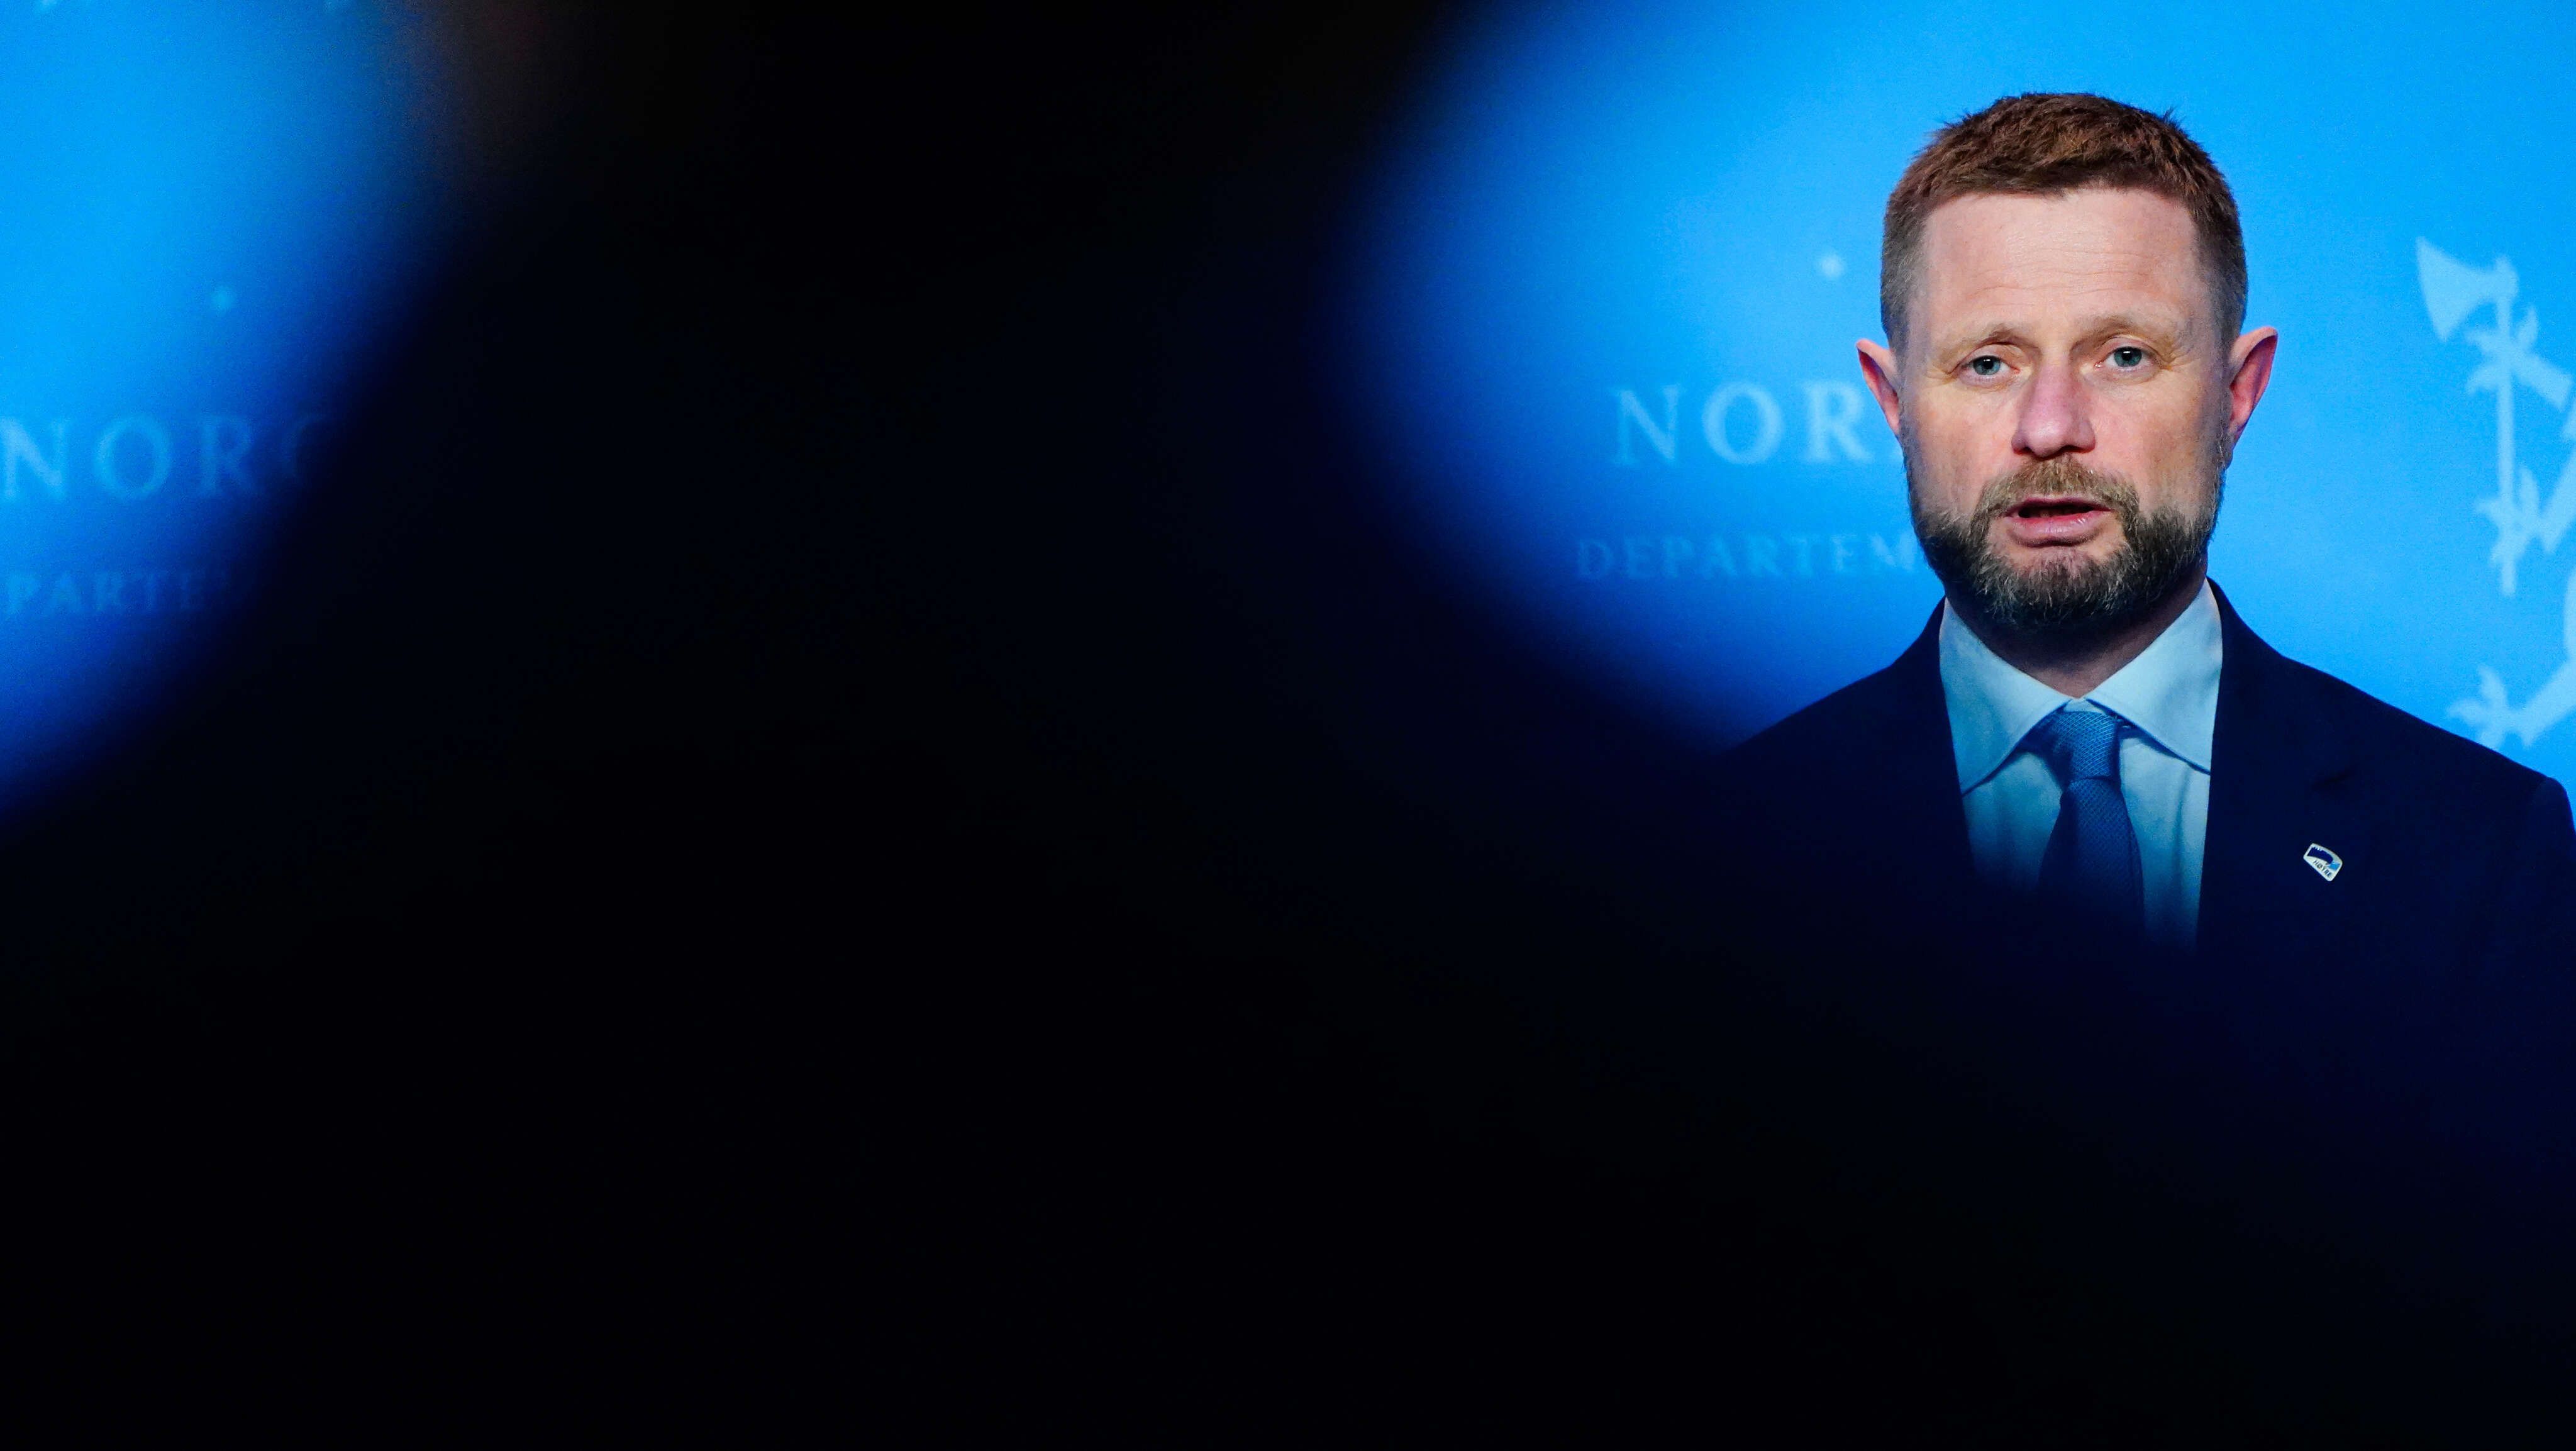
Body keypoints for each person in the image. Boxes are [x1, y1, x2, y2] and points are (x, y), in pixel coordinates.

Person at [1720, 92, 2576, 977]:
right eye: (1988, 363)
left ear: (2237, 393)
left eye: (2124, 356)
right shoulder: (1720, 844)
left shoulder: (2486, 846)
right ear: (1894, 400)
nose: (2051, 427)